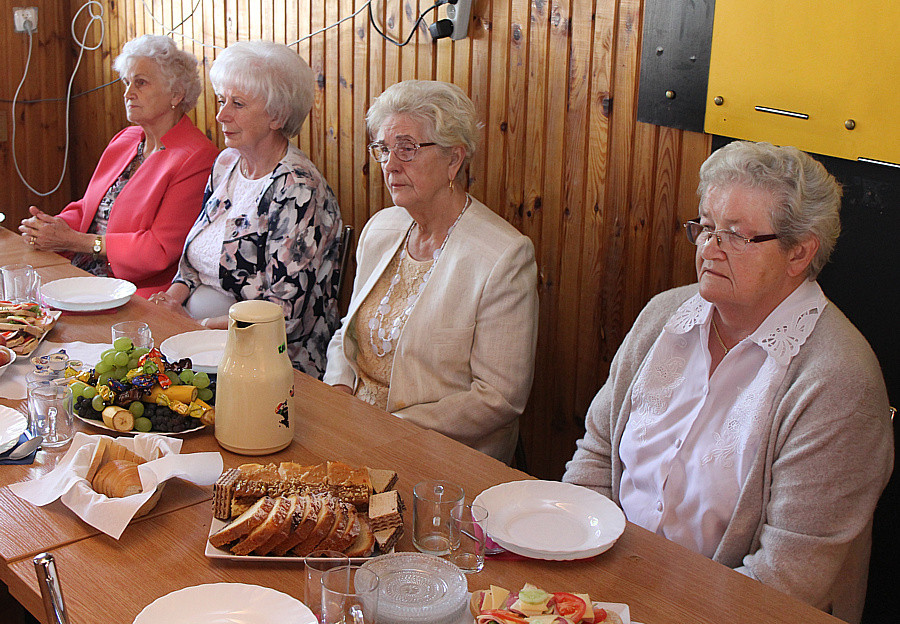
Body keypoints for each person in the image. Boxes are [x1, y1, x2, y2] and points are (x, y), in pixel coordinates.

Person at [562, 141, 893, 623]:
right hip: (612, 590)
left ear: (799, 253)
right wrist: (580, 569)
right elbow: (596, 452)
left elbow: (787, 580)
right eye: (706, 227)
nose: (709, 248)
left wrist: (646, 608)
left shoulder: (838, 381)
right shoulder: (664, 315)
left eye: (736, 235)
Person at [323, 80, 539, 464]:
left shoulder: (503, 256)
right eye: (384, 149)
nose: (390, 165)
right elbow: (347, 333)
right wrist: (338, 394)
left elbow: (499, 398)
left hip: (440, 453)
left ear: (453, 159)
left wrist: (389, 426)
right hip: (353, 427)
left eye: (406, 149)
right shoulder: (381, 228)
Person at [149, 41, 342, 379]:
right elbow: (196, 258)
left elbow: (282, 315)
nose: (222, 115)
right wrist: (172, 299)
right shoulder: (227, 164)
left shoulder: (298, 190)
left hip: (269, 359)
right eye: (222, 101)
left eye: (237, 104)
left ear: (277, 116)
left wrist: (198, 327)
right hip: (203, 338)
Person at [18, 35, 218, 297]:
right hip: (82, 268)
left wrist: (72, 240)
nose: (128, 93)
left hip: (134, 290)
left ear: (177, 94)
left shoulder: (197, 157)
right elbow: (89, 210)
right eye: (127, 82)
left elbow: (157, 251)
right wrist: (49, 227)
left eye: (141, 83)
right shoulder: (125, 139)